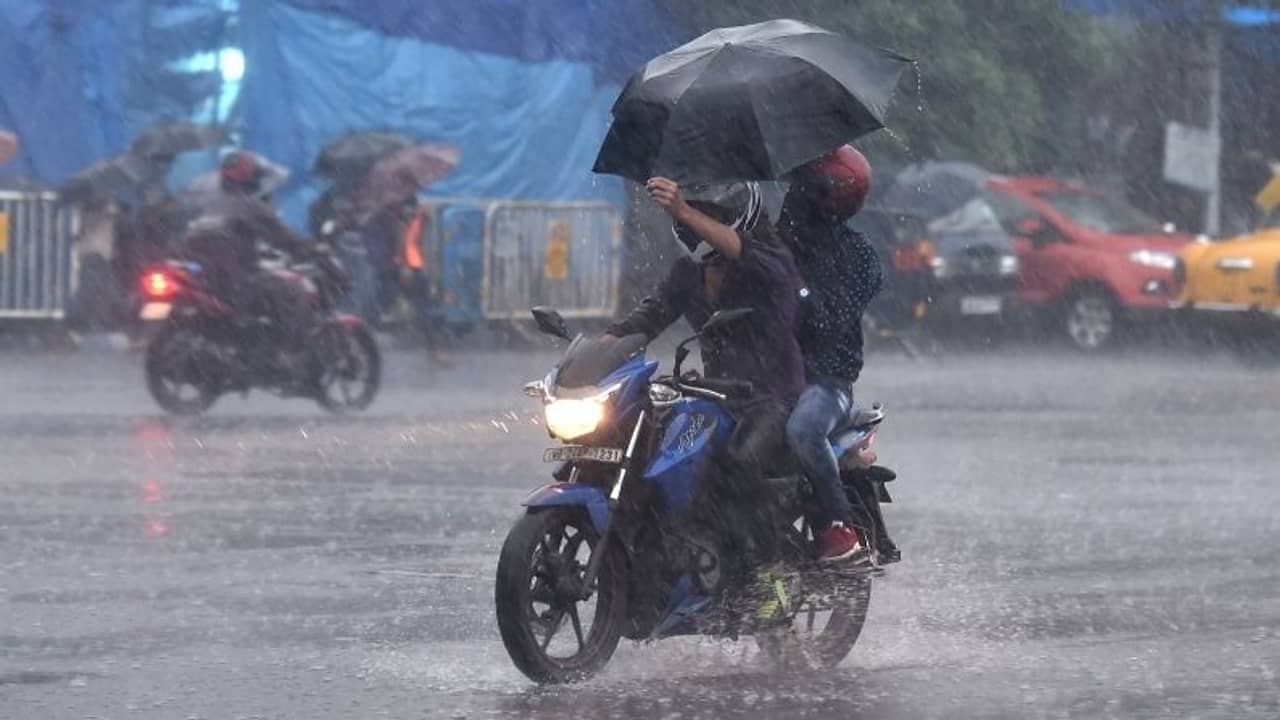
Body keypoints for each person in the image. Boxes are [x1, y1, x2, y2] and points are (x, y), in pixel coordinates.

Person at [607, 177, 805, 570]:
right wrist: (601, 345)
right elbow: (650, 316)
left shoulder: (771, 262)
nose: (692, 222)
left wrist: (683, 209)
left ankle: (771, 570)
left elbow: (742, 251)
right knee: (649, 453)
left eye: (708, 215)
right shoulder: (689, 272)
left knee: (738, 463)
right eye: (691, 214)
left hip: (770, 398)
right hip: (715, 397)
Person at [778, 144, 897, 565]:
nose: (793, 197)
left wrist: (798, 284)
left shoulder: (859, 258)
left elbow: (828, 324)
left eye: (804, 189)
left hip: (826, 384)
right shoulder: (776, 242)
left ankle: (838, 528)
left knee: (803, 431)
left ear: (830, 196)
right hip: (768, 378)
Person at [183, 151, 319, 371]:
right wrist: (311, 249)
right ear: (250, 179)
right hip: (237, 283)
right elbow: (283, 237)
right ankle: (290, 355)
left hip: (207, 282)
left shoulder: (209, 205)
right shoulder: (250, 206)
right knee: (294, 292)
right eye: (257, 176)